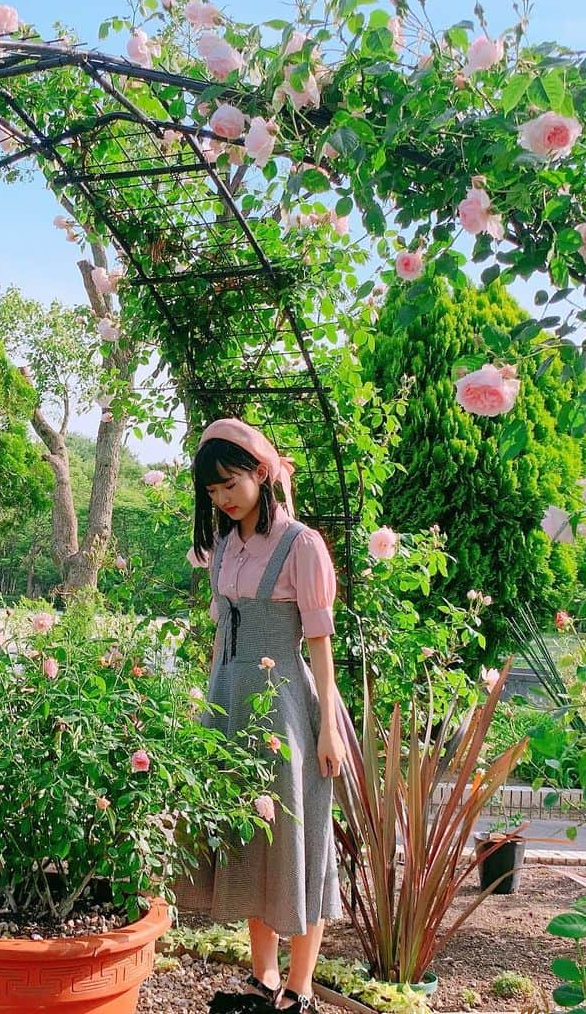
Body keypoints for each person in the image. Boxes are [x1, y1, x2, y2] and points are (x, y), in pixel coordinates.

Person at [176, 418, 344, 1014]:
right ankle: (263, 979)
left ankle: (299, 991)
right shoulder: (223, 544)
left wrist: (327, 724)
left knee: (297, 840)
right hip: (227, 701)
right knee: (248, 832)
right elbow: (222, 628)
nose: (221, 498)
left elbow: (320, 640)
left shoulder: (302, 545)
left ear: (261, 473)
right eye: (212, 491)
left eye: (230, 484)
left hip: (287, 711)